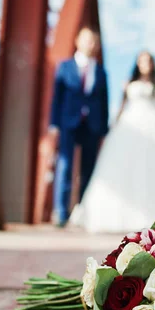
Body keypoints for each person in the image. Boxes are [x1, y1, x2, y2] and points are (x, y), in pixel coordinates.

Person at [69, 51, 155, 233]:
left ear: (152, 64)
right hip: (130, 126)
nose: (144, 64)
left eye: (148, 60)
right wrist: (114, 127)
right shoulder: (129, 84)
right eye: (141, 60)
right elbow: (121, 108)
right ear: (137, 64)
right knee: (124, 167)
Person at [49, 27, 109, 227]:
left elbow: (104, 101)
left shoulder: (100, 71)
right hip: (68, 122)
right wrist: (54, 123)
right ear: (77, 41)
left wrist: (104, 129)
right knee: (64, 165)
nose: (91, 44)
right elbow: (57, 97)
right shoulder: (64, 67)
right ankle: (61, 212)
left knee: (88, 169)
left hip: (92, 125)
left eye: (94, 41)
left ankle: (82, 213)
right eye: (87, 40)